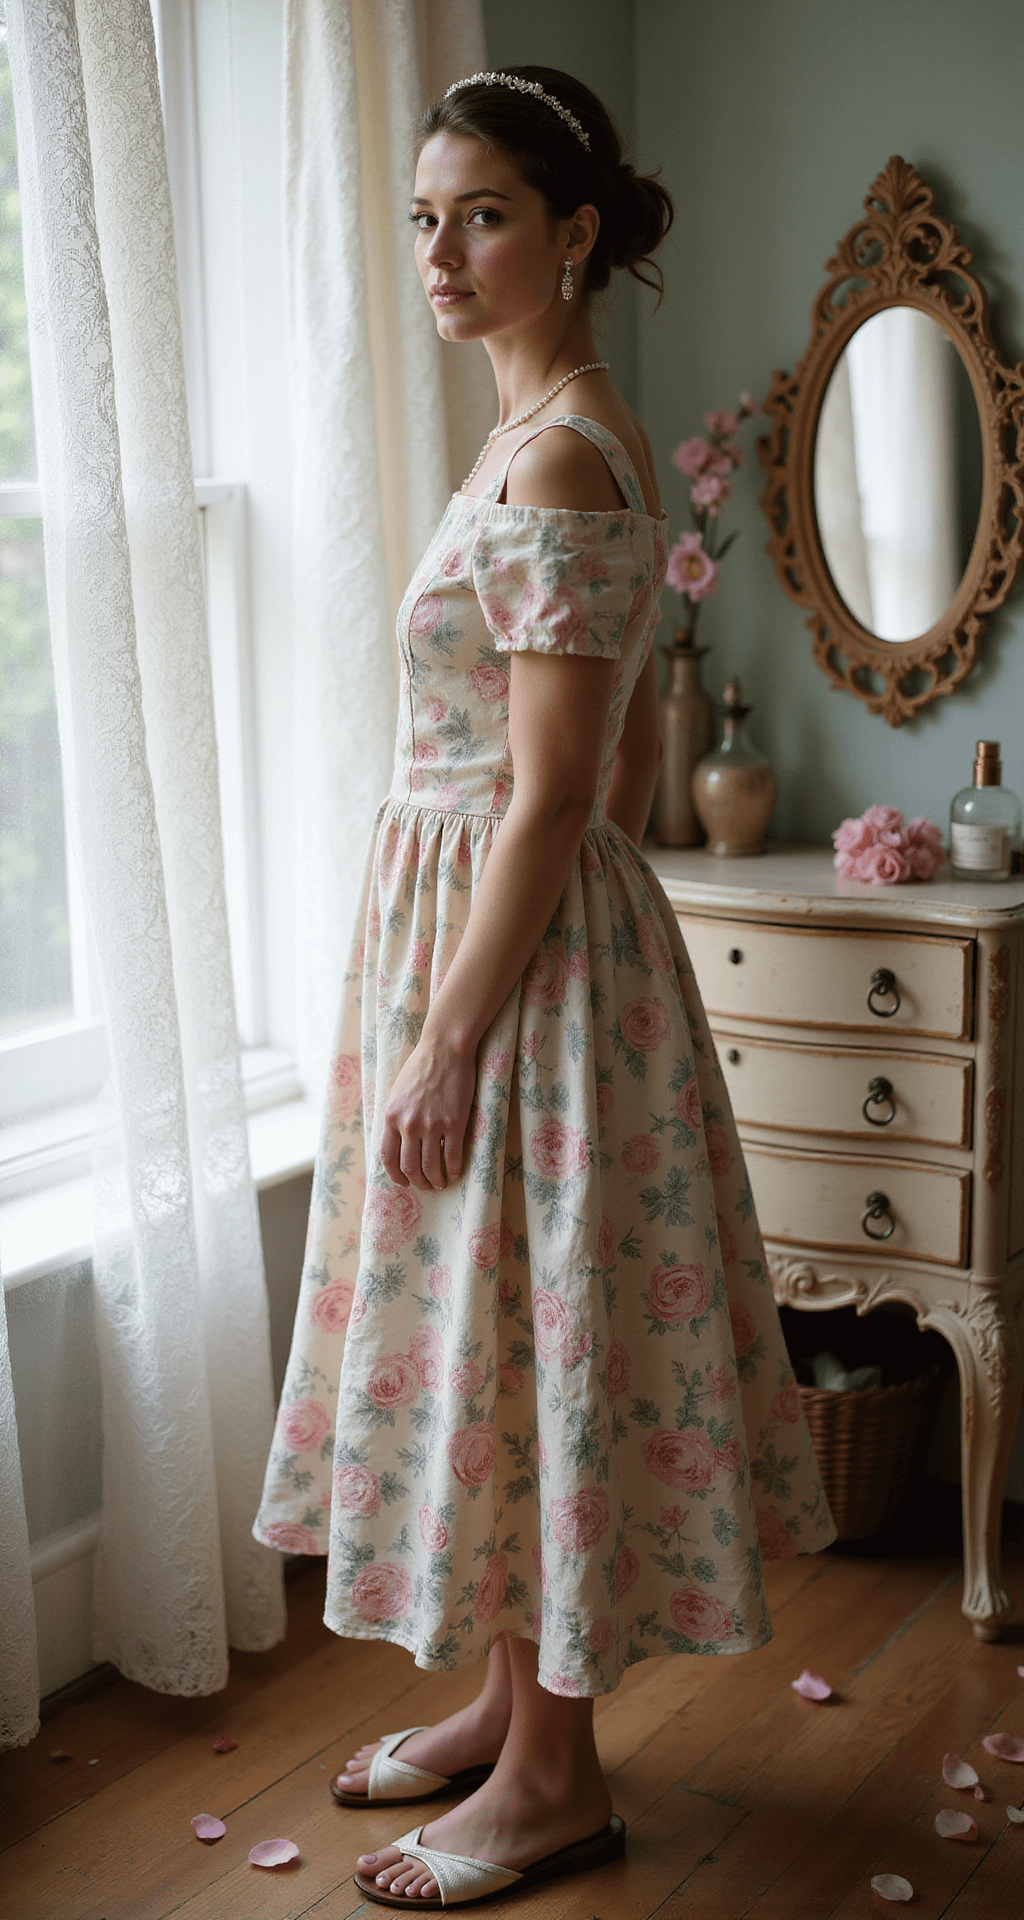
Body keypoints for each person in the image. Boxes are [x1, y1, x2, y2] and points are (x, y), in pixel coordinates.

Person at [254, 65, 835, 1910]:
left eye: (483, 213)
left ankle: (561, 1774)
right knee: (497, 1336)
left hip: (524, 966)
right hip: (479, 935)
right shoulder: (531, 432)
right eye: (426, 214)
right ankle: (506, 1712)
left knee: (542, 1336)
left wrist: (446, 1030)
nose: (441, 248)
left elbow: (562, 790)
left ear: (573, 237)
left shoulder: (571, 448)